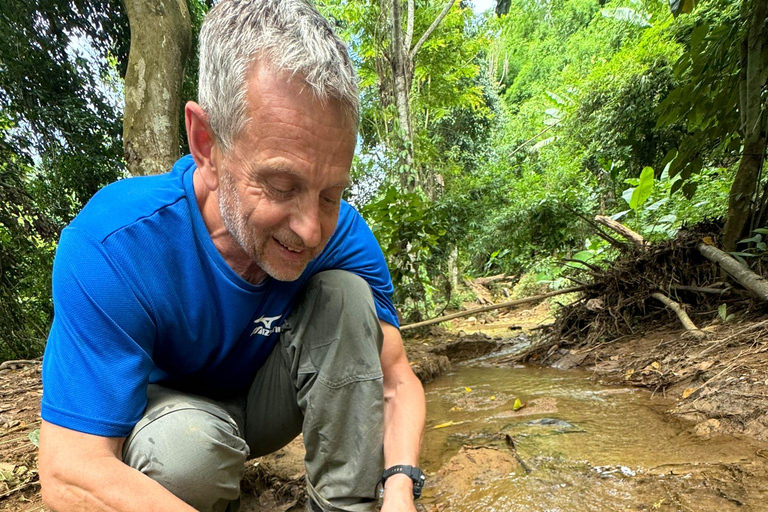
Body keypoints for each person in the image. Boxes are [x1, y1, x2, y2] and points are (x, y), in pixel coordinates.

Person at [37, 1, 426, 511]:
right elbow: (69, 472)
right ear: (207, 143)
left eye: (330, 195)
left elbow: (396, 378)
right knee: (186, 454)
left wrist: (400, 487)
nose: (311, 230)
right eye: (282, 186)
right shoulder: (116, 245)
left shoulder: (341, 235)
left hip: (262, 408)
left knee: (347, 296)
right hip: (172, 423)